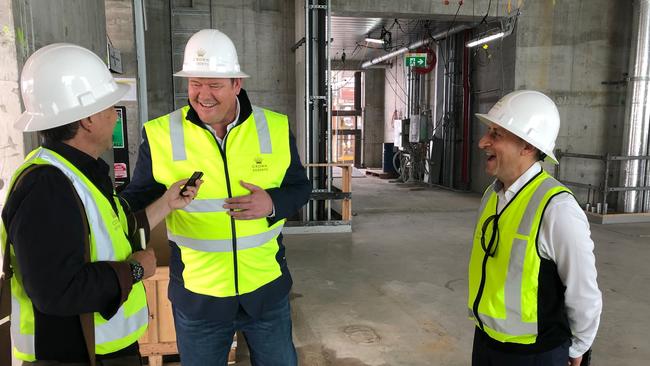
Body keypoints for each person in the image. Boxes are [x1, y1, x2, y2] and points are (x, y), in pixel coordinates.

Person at [1, 43, 200, 365]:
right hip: (76, 353)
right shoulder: (47, 187)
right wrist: (136, 269)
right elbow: (57, 291)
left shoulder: (81, 172)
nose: (114, 116)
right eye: (110, 107)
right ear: (89, 119)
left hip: (102, 349)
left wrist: (166, 203)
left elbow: (114, 230)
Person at [121, 29, 311, 365]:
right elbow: (132, 205)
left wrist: (272, 204)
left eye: (214, 85)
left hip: (266, 292)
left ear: (237, 84)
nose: (202, 95)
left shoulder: (276, 128)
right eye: (195, 83)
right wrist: (165, 201)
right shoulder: (161, 134)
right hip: (199, 300)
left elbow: (300, 188)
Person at [467, 90, 602, 366]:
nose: (483, 142)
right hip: (485, 343)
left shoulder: (557, 208)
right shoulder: (492, 196)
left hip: (535, 356)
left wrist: (578, 348)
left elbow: (583, 291)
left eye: (496, 134)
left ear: (527, 145)